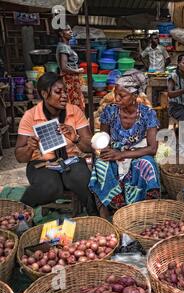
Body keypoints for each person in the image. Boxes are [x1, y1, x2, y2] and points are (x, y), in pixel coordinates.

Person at [15, 73, 96, 214]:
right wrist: (29, 147)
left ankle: (93, 215)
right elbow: (20, 157)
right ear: (45, 94)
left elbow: (90, 147)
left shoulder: (74, 111)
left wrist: (75, 138)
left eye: (65, 91)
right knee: (50, 186)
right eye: (58, 92)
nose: (64, 95)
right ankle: (21, 214)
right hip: (41, 164)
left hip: (71, 160)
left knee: (82, 180)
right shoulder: (30, 116)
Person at [89, 71, 161, 219]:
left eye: (122, 95)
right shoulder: (110, 111)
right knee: (101, 165)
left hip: (136, 152)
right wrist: (105, 150)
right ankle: (106, 214)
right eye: (116, 94)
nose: (116, 98)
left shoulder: (148, 113)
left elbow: (152, 148)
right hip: (115, 152)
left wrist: (123, 154)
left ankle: (144, 212)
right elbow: (105, 140)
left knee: (148, 164)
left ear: (134, 96)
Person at [56, 25, 85, 112]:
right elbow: (64, 67)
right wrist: (77, 71)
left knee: (74, 103)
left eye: (70, 29)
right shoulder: (63, 47)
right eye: (68, 30)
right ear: (61, 34)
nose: (71, 32)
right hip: (69, 79)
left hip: (71, 79)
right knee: (73, 103)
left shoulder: (66, 46)